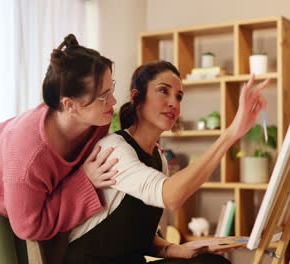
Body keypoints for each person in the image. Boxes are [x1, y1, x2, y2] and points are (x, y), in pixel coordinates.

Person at [64, 61, 269, 264]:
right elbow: (171, 197)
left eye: (179, 97)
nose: (174, 103)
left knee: (211, 262)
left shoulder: (158, 158)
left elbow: (139, 236)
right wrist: (231, 134)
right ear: (137, 97)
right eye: (163, 91)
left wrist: (181, 249)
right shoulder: (113, 148)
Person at [0, 34, 119, 264]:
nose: (113, 101)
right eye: (104, 96)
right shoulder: (29, 155)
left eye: (111, 87)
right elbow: (29, 227)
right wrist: (84, 182)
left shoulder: (95, 123)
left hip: (16, 195)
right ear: (70, 105)